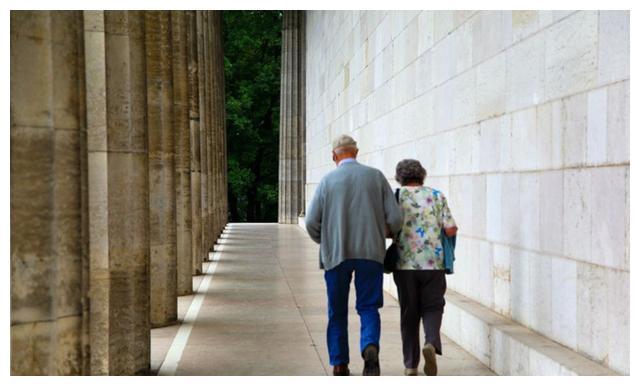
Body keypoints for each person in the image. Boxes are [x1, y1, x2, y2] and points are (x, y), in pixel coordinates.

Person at [305, 135, 403, 376]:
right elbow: (396, 219)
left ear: (333, 156)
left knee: (336, 310)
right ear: (356, 153)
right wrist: (386, 232)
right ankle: (370, 345)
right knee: (368, 306)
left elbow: (310, 222)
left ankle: (339, 363)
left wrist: (326, 240)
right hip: (371, 253)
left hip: (336, 255)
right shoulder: (376, 177)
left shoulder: (328, 180)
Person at [392, 159, 457, 376]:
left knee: (409, 313)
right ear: (422, 175)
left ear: (400, 177)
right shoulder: (437, 195)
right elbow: (451, 228)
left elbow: (388, 228)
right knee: (433, 306)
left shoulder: (397, 196)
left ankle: (411, 365)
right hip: (434, 263)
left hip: (404, 264)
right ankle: (430, 342)